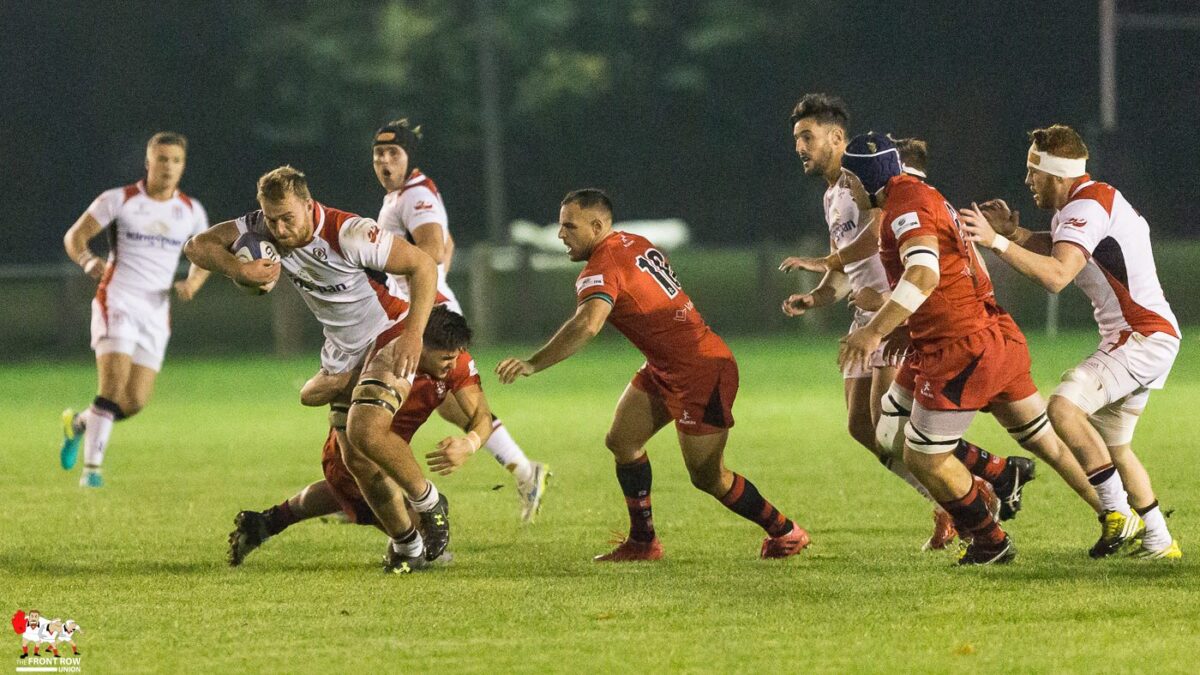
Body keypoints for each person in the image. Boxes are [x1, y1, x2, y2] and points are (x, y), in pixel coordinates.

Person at [497, 189, 809, 561]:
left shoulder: (600, 266)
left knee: (708, 478)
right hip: (666, 366)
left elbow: (587, 325)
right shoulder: (634, 242)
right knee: (622, 441)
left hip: (701, 371)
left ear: (597, 226)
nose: (561, 234)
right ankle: (644, 542)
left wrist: (534, 362)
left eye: (569, 226)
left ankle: (786, 532)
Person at [184, 166, 445, 573]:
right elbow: (197, 246)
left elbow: (423, 266)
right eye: (272, 219)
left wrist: (414, 334)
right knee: (356, 463)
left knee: (365, 430)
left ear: (308, 205)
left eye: (288, 217)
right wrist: (239, 269)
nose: (280, 228)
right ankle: (409, 546)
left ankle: (429, 503)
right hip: (341, 351)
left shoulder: (349, 231)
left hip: (387, 331)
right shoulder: (261, 228)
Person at [958, 123, 1181, 559]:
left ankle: (1118, 514)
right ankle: (1159, 540)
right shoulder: (1086, 202)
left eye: (1032, 172)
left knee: (1063, 407)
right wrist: (1020, 236)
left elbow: (1058, 274)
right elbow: (1067, 246)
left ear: (1056, 175)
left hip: (1140, 337)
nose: (1027, 182)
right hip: (1148, 336)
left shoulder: (1089, 205)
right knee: (1113, 448)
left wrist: (998, 242)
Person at [838, 132, 1043, 565]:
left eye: (850, 179)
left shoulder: (906, 204)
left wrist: (874, 330)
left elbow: (924, 274)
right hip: (931, 340)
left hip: (955, 343)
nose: (847, 188)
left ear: (869, 176)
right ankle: (1000, 473)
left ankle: (991, 540)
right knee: (889, 433)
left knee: (924, 456)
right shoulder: (902, 199)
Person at [777, 94, 968, 549]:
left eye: (807, 136)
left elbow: (883, 224)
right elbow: (845, 271)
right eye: (796, 139)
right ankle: (948, 503)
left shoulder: (862, 180)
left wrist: (827, 259)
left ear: (837, 137)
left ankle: (974, 491)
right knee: (862, 429)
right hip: (862, 311)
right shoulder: (831, 194)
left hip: (889, 311)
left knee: (889, 424)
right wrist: (817, 295)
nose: (800, 146)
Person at [371, 119, 549, 522]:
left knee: (384, 409)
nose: (384, 160)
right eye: (378, 154)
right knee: (454, 408)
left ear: (409, 157)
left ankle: (374, 492)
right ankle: (525, 471)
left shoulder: (415, 195)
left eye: (393, 153)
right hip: (421, 307)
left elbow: (433, 248)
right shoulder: (404, 195)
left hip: (425, 316)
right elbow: (445, 246)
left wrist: (417, 291)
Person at [229, 307, 491, 571]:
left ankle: (264, 523)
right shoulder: (380, 357)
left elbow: (482, 417)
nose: (453, 365)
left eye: (455, 357)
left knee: (341, 493)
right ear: (419, 345)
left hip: (388, 457)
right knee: (416, 542)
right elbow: (309, 395)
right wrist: (342, 383)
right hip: (351, 455)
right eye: (446, 358)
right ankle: (412, 534)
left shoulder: (454, 362)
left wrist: (469, 444)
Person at [59, 131, 212, 487]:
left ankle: (79, 423)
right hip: (118, 300)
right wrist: (86, 260)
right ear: (148, 162)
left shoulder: (190, 211)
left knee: (134, 401)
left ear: (183, 166)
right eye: (162, 159)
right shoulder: (120, 200)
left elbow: (205, 255)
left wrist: (192, 283)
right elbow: (75, 236)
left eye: (176, 161)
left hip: (156, 311)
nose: (169, 167)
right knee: (111, 389)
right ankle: (92, 472)